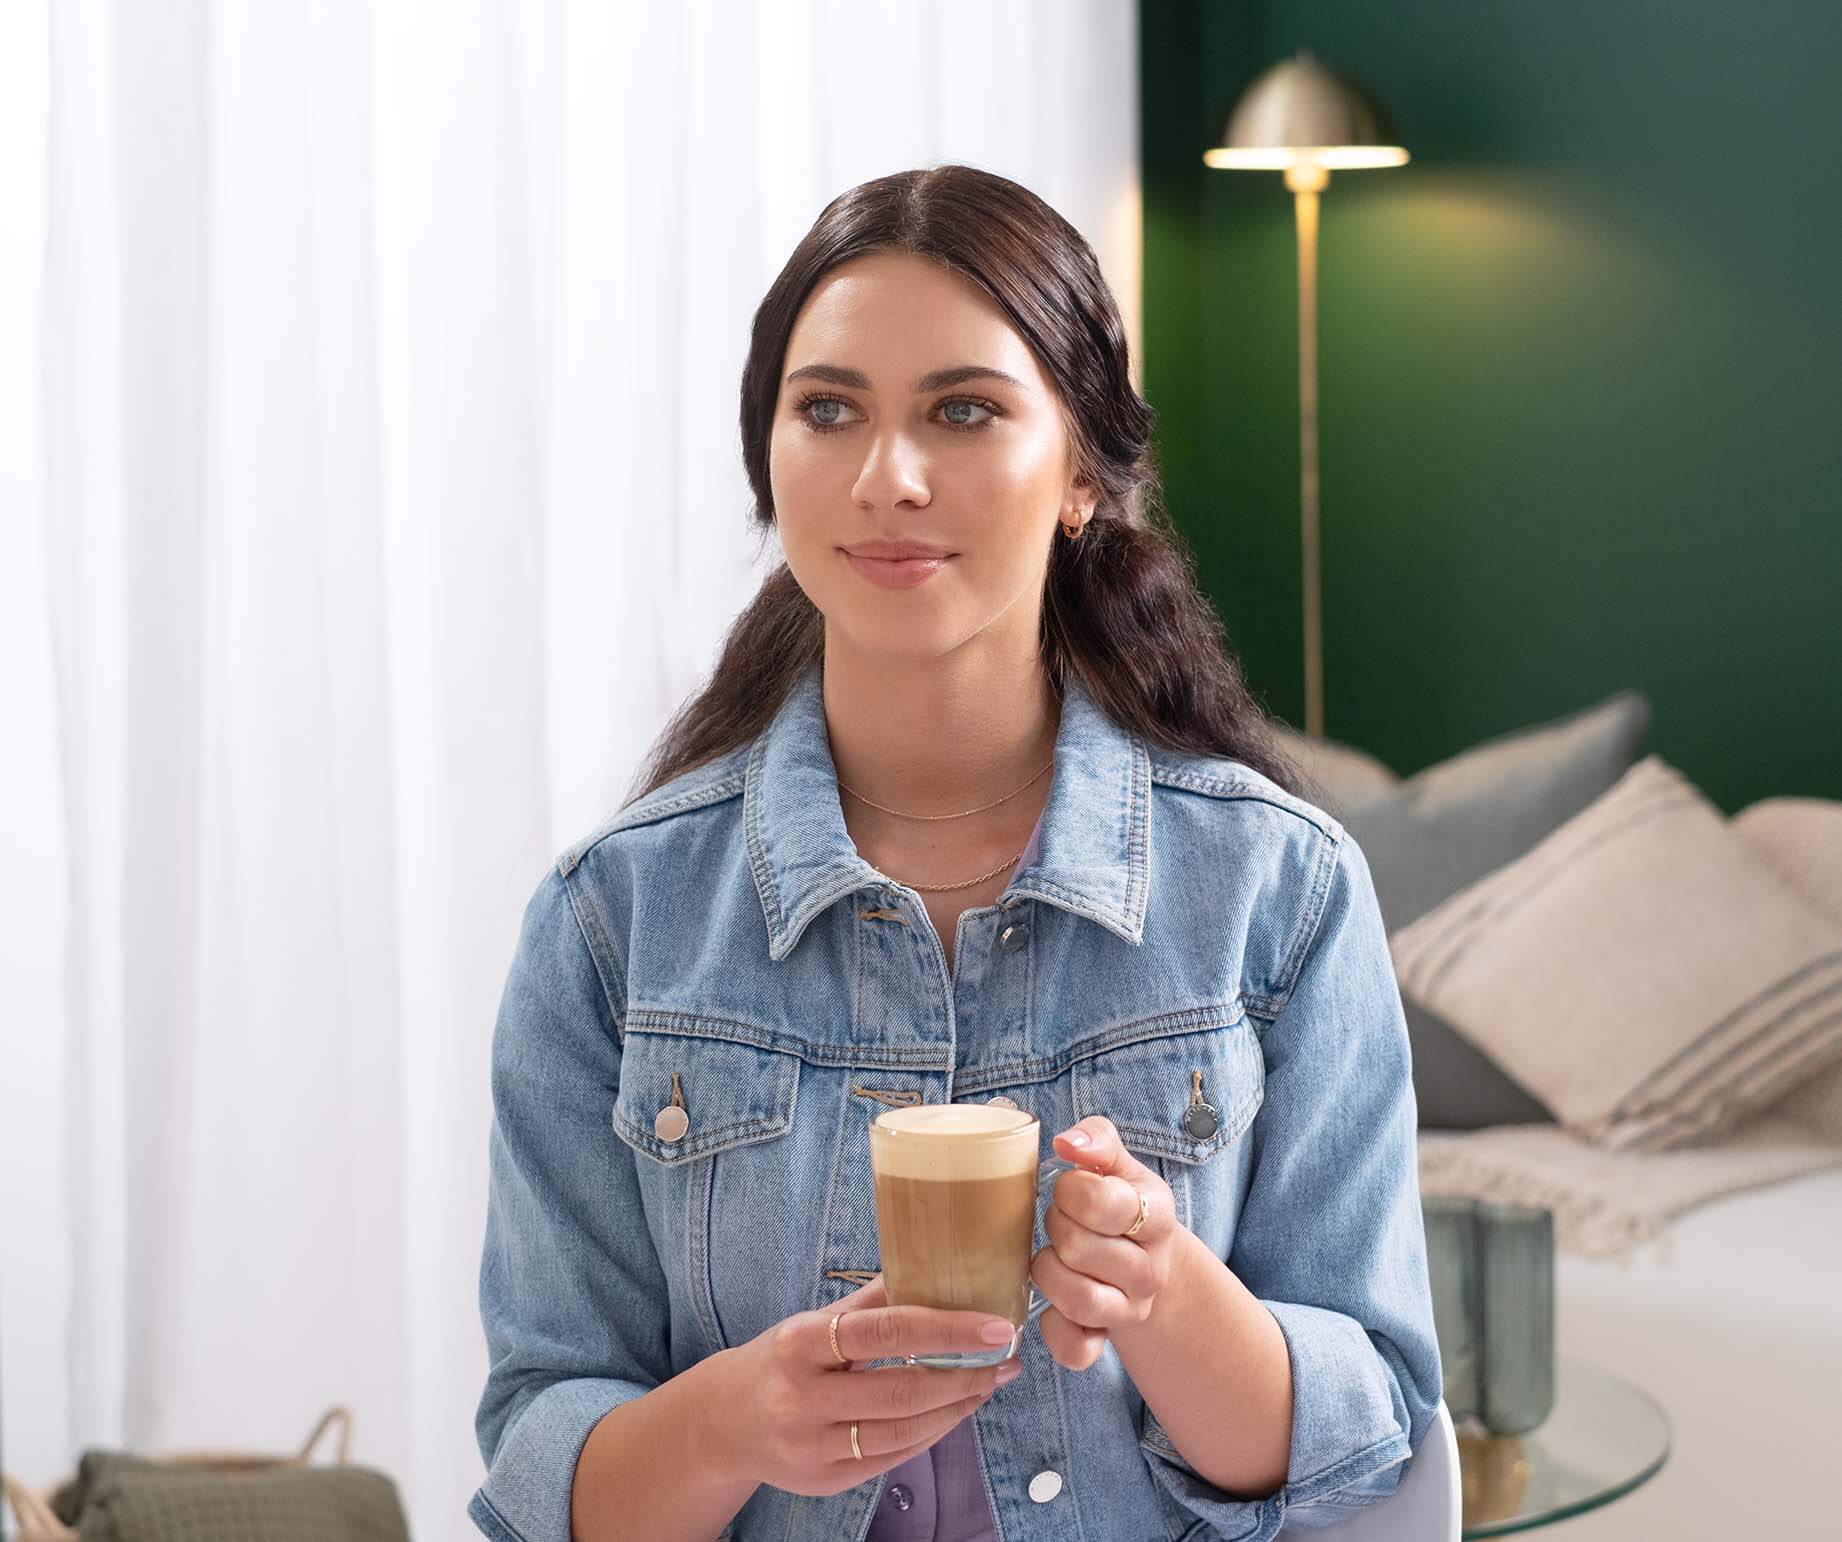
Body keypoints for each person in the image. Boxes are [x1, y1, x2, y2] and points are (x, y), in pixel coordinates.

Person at [468, 164, 1441, 1542]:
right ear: (769, 461)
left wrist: (1164, 1293)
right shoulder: (610, 922)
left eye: (963, 410)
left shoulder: (1277, 895)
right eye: (828, 410)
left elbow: (1367, 1436)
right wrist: (738, 1417)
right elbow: (544, 1458)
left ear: (1086, 476)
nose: (887, 477)